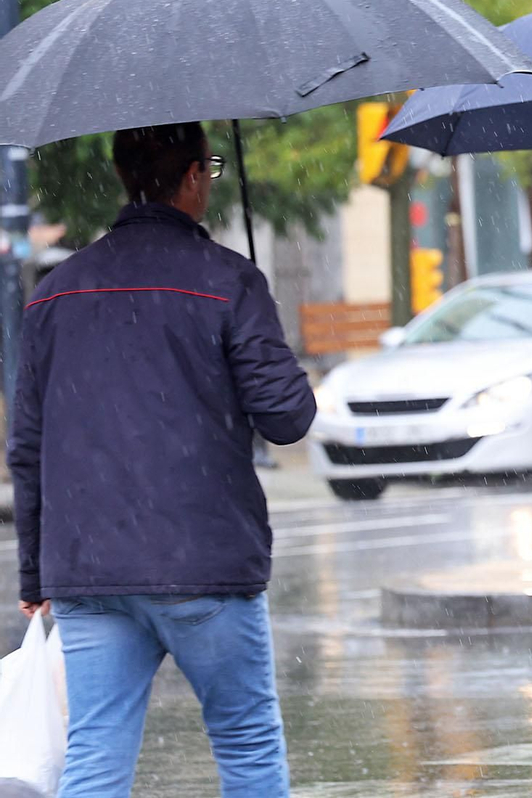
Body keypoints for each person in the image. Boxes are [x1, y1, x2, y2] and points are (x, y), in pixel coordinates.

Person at [7, 122, 316, 797]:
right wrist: (266, 335)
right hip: (204, 562)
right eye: (206, 166)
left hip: (90, 569)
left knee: (94, 753)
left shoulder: (55, 292)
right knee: (246, 743)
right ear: (191, 179)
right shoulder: (229, 281)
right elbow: (288, 417)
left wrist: (35, 571)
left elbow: (27, 446)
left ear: (122, 176)